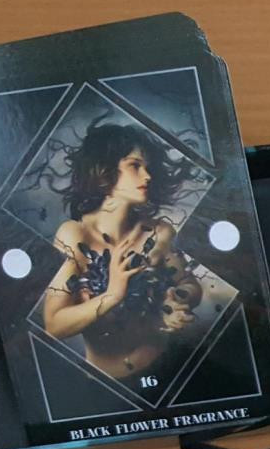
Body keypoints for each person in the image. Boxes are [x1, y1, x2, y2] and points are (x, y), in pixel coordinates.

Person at [42, 122, 201, 380]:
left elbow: (189, 283)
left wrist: (176, 302)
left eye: (147, 167)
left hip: (171, 366)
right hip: (107, 385)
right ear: (103, 169)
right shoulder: (74, 236)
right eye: (135, 166)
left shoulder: (158, 232)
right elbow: (54, 325)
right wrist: (113, 295)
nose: (147, 176)